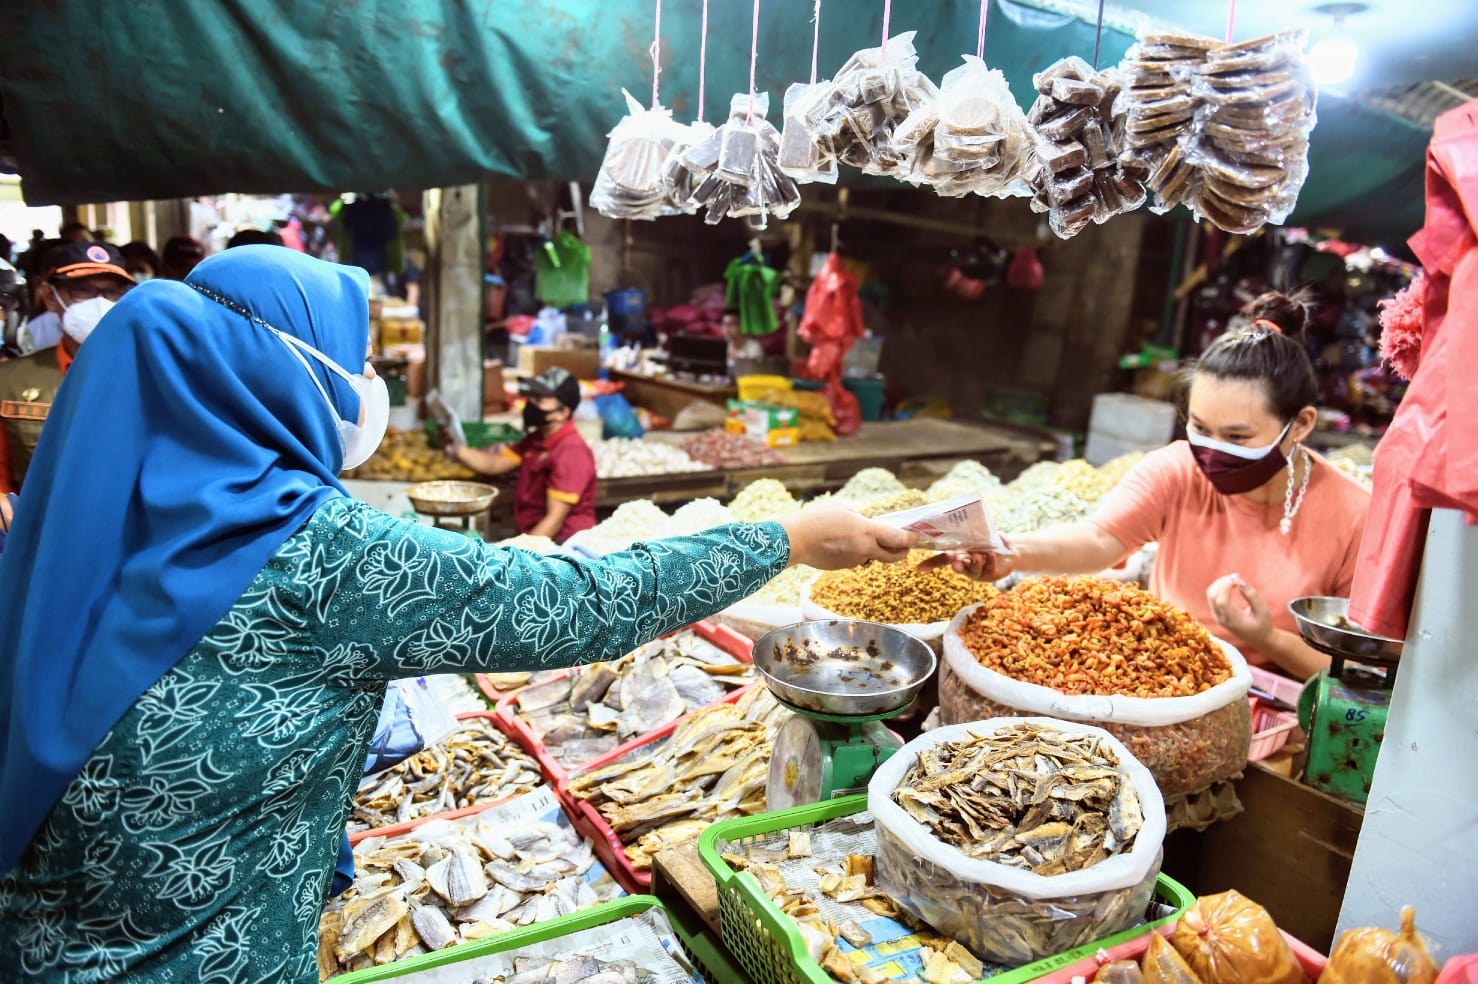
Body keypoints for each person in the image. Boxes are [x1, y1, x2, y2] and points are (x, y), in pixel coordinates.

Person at [0, 245, 914, 980]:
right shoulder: (314, 549)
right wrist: (786, 536)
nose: (368, 386)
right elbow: (577, 606)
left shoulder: (90, 502)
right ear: (278, 377)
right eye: (354, 364)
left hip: (42, 932)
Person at [928, 292, 1369, 678]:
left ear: (1301, 425)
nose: (1213, 451)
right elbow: (1100, 538)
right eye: (1199, 427)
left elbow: (1360, 670)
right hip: (1164, 672)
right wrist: (1010, 552)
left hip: (1284, 703)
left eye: (1237, 437)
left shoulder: (1354, 515)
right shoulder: (1177, 469)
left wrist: (1267, 639)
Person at [0, 242, 135, 493]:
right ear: (50, 297)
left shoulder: (155, 373)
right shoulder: (9, 382)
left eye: (112, 292)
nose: (100, 303)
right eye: (82, 290)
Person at [451, 366, 598, 541]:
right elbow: (495, 464)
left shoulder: (570, 452)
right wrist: (457, 449)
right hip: (535, 536)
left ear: (562, 412)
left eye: (540, 399)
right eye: (532, 397)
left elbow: (554, 520)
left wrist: (519, 555)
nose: (531, 404)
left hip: (562, 546)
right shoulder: (537, 439)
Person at [724, 305, 762, 373]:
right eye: (725, 324)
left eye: (732, 324)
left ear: (742, 325)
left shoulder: (753, 347)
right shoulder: (724, 346)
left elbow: (754, 373)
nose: (727, 328)